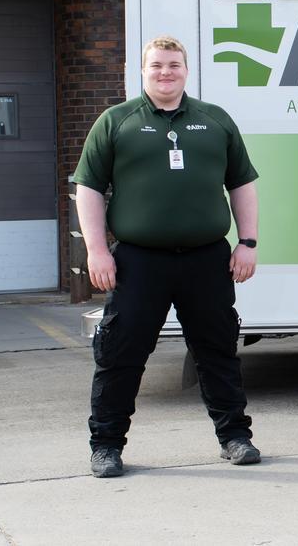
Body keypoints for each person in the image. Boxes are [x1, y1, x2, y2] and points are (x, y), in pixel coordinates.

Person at [76, 35, 262, 478]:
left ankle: (235, 437)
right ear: (142, 70)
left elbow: (242, 184)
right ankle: (105, 445)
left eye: (174, 65)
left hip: (207, 259)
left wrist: (248, 242)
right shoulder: (116, 121)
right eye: (157, 65)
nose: (166, 72)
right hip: (139, 261)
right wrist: (97, 250)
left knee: (217, 352)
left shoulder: (214, 120)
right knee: (121, 354)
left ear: (186, 70)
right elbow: (88, 188)